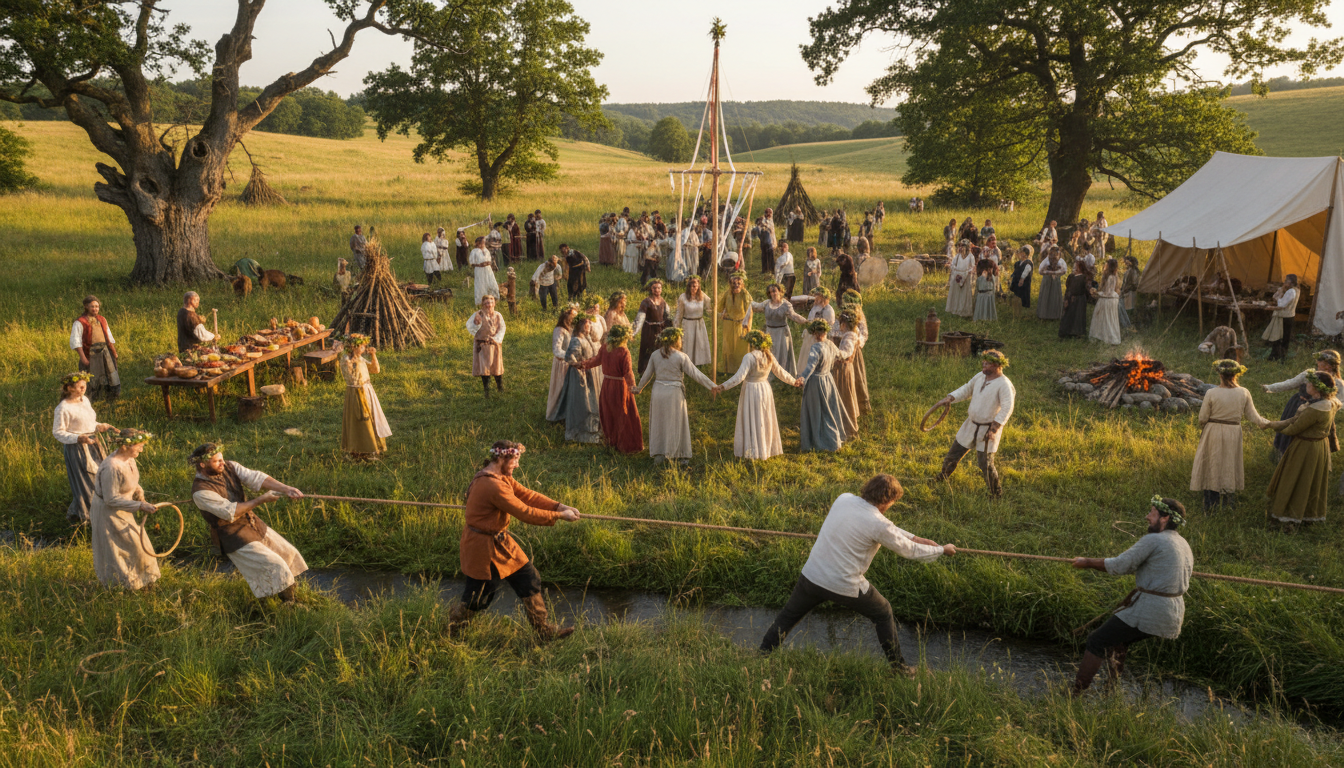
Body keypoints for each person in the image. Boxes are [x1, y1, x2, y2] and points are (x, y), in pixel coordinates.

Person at [760, 475, 955, 677]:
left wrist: (916, 538)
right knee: (883, 612)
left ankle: (762, 655)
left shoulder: (843, 498)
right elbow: (909, 550)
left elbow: (890, 530)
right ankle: (900, 669)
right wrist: (942, 550)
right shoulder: (878, 524)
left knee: (788, 616)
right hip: (843, 583)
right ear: (887, 501)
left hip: (812, 575)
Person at [448, 441, 580, 640]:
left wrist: (559, 506)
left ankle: (544, 632)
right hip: (481, 548)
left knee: (529, 578)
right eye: (515, 460)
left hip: (501, 543)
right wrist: (560, 517)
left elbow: (527, 495)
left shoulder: (502, 477)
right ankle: (454, 630)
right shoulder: (492, 484)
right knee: (479, 596)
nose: (517, 465)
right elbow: (524, 511)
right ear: (502, 458)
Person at [1070, 496, 1192, 694]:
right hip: (1173, 612)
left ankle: (1074, 694)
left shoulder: (1154, 540)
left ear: (1165, 518)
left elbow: (1120, 565)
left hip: (1152, 608)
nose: (1147, 517)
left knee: (1097, 640)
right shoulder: (1182, 543)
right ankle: (1111, 691)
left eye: (1152, 513)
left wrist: (1087, 562)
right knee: (1118, 640)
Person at [189, 443, 308, 604]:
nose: (223, 463)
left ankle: (282, 593)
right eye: (217, 461)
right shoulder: (201, 491)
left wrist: (286, 489)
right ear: (202, 464)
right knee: (275, 565)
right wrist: (261, 500)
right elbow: (230, 512)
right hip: (232, 535)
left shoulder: (230, 467)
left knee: (288, 553)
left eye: (222, 459)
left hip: (251, 523)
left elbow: (256, 477)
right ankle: (288, 604)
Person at [1262, 371, 1339, 531]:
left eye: (1310, 384)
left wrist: (1270, 427)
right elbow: (1294, 421)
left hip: (1306, 448)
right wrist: (1271, 423)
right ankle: (1308, 515)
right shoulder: (1330, 402)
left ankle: (1289, 517)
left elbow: (1293, 428)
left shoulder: (1315, 409)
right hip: (1320, 446)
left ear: (1318, 389)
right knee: (1312, 481)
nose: (1306, 386)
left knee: (1296, 479)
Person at [1189, 359, 1270, 510]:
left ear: (1220, 374)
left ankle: (1210, 503)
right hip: (1233, 431)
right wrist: (1268, 424)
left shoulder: (1212, 392)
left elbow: (1202, 418)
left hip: (1213, 430)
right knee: (1229, 462)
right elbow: (1254, 416)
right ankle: (1228, 502)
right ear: (1236, 375)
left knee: (1213, 462)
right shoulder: (1243, 392)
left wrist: (1205, 426)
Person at [934, 350, 1015, 497]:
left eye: (987, 364)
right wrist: (950, 397)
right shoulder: (980, 376)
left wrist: (994, 428)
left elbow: (1007, 407)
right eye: (983, 363)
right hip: (970, 425)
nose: (984, 366)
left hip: (987, 430)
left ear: (997, 365)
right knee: (953, 454)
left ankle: (996, 494)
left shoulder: (1004, 385)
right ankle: (942, 477)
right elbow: (966, 389)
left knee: (986, 464)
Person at [634, 328, 718, 464]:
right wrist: (712, 386)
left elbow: (647, 375)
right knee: (676, 422)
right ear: (676, 340)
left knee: (659, 422)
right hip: (673, 393)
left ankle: (660, 454)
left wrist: (639, 388)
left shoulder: (655, 355)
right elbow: (696, 374)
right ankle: (679, 454)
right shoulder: (681, 356)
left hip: (658, 392)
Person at [90, 429, 161, 590]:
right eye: (139, 446)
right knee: (118, 549)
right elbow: (110, 499)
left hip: (124, 508)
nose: (141, 450)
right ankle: (122, 585)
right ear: (124, 446)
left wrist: (139, 494)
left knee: (139, 545)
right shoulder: (112, 467)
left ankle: (142, 581)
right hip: (108, 513)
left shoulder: (129, 459)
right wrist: (140, 505)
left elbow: (131, 481)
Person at [716, 330, 802, 460]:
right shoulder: (769, 356)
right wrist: (793, 381)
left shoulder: (749, 357)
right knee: (763, 417)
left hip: (751, 389)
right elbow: (780, 372)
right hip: (765, 389)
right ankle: (764, 448)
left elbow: (739, 376)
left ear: (751, 343)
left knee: (753, 417)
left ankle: (754, 449)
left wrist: (723, 386)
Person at [53, 372, 116, 524]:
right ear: (69, 388)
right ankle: (89, 518)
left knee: (101, 478)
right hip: (78, 449)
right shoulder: (63, 408)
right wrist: (78, 438)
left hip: (94, 444)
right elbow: (58, 432)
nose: (84, 389)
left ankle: (101, 513)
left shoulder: (85, 400)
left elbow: (89, 422)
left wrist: (100, 426)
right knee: (87, 482)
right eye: (80, 386)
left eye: (85, 386)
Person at [574, 324, 644, 454]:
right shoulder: (624, 352)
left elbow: (595, 360)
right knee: (622, 413)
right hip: (620, 386)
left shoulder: (605, 348)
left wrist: (583, 364)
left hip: (607, 384)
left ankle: (611, 440)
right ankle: (624, 444)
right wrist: (632, 386)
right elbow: (628, 372)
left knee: (608, 412)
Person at [1262, 350, 1342, 457]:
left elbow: (1340, 402)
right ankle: (1286, 455)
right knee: (1294, 427)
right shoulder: (1309, 374)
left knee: (1312, 435)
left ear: (1331, 366)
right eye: (1319, 363)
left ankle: (1310, 457)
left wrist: (1327, 406)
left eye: (1324, 364)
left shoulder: (1337, 383)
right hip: (1298, 406)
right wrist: (1269, 388)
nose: (1320, 366)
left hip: (1319, 412)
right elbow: (1289, 383)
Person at [547, 317, 602, 443]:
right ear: (580, 325)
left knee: (592, 399)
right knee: (583, 401)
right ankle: (581, 429)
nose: (589, 326)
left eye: (589, 323)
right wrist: (579, 365)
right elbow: (569, 357)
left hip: (589, 373)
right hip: (580, 375)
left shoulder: (587, 338)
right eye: (587, 323)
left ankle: (592, 425)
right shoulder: (576, 340)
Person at [338, 334, 389, 459]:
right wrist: (354, 358)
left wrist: (373, 355)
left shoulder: (360, 359)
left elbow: (375, 370)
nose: (364, 348)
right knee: (361, 419)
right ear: (353, 347)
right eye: (362, 346)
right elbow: (352, 378)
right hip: (356, 393)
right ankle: (363, 448)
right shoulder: (346, 359)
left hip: (367, 390)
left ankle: (374, 446)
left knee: (372, 417)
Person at [797, 319, 845, 452]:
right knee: (829, 410)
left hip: (816, 383)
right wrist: (851, 349)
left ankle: (817, 440)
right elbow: (841, 355)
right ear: (825, 332)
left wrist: (802, 378)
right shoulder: (830, 344)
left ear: (815, 334)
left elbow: (811, 367)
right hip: (828, 380)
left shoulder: (815, 348)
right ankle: (833, 438)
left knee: (816, 412)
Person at [752, 283, 808, 379]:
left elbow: (794, 316)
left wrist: (806, 322)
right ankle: (771, 375)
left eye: (774, 291)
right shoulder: (766, 303)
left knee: (783, 354)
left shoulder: (785, 304)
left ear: (780, 291)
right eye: (770, 292)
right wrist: (746, 299)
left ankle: (783, 376)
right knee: (770, 353)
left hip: (782, 333)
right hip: (769, 332)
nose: (772, 294)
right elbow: (756, 307)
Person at [71, 295, 120, 400]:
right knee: (92, 376)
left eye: (97, 306)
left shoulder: (102, 319)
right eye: (92, 306)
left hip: (105, 351)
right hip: (91, 353)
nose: (95, 309)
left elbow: (109, 337)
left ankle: (111, 397)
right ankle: (92, 399)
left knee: (110, 374)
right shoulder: (80, 322)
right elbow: (76, 342)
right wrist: (83, 358)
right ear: (86, 307)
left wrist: (114, 352)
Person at [466, 295, 506, 396]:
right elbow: (471, 327)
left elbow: (502, 328)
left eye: (491, 303)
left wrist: (496, 339)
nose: (489, 305)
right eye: (487, 303)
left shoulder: (498, 315)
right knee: (484, 369)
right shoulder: (479, 314)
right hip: (482, 346)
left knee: (496, 367)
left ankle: (500, 387)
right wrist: (476, 322)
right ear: (483, 304)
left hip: (494, 344)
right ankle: (486, 390)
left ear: (494, 304)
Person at [832, 312, 863, 440]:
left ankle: (848, 427)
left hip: (843, 369)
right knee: (843, 395)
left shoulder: (850, 337)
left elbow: (845, 353)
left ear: (844, 324)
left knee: (845, 396)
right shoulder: (850, 334)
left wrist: (832, 352)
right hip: (844, 368)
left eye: (840, 324)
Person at [716, 272, 753, 377]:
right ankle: (729, 371)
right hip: (728, 324)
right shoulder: (727, 294)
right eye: (734, 283)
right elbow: (719, 308)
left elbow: (750, 310)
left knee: (741, 347)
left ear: (742, 284)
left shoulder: (745, 295)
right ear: (730, 284)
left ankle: (742, 370)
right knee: (728, 347)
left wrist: (747, 324)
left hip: (742, 324)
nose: (736, 285)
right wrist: (722, 313)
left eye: (738, 283)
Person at [840, 291, 871, 415]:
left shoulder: (859, 314)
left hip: (854, 348)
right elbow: (836, 328)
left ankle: (861, 405)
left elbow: (864, 332)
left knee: (857, 375)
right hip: (842, 345)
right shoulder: (843, 313)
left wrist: (858, 341)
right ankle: (844, 404)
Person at [632, 280, 670, 376]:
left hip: (660, 329)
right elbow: (640, 318)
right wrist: (633, 332)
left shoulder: (663, 302)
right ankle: (644, 373)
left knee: (660, 349)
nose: (657, 290)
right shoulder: (646, 302)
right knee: (648, 350)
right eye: (654, 288)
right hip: (649, 330)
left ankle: (659, 372)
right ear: (651, 289)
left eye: (659, 288)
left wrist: (670, 330)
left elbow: (667, 316)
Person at [796, 286, 835, 374]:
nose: (815, 297)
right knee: (807, 355)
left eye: (818, 295)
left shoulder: (828, 310)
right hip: (811, 335)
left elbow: (829, 325)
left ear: (823, 297)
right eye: (815, 295)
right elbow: (810, 319)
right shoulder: (815, 307)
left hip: (819, 337)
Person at [674, 276, 712, 368]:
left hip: (699, 323)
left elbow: (710, 308)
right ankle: (687, 364)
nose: (693, 288)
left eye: (695, 286)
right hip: (688, 323)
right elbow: (679, 313)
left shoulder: (702, 296)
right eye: (691, 286)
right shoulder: (683, 297)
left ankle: (700, 363)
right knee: (688, 343)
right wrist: (676, 326)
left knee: (700, 343)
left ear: (698, 286)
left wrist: (716, 315)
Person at [546, 307, 577, 418]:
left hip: (573, 363)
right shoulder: (559, 330)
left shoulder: (573, 328)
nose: (575, 318)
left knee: (573, 389)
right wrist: (569, 357)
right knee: (562, 388)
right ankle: (559, 413)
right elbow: (556, 349)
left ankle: (571, 413)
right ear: (566, 316)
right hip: (563, 363)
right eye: (573, 315)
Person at [1264, 274, 1300, 360]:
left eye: (1286, 281)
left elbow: (1281, 305)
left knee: (1279, 337)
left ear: (1290, 282)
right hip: (1288, 316)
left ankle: (1278, 356)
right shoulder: (1295, 290)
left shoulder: (1291, 291)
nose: (1284, 282)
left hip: (1284, 317)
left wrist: (1280, 294)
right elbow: (1275, 298)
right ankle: (1279, 356)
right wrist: (1281, 290)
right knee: (1283, 337)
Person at [1089, 258, 1122, 345]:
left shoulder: (1111, 277)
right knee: (1106, 318)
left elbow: (1108, 292)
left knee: (1107, 319)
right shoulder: (1111, 276)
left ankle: (1109, 337)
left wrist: (1097, 293)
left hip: (1108, 299)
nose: (1105, 266)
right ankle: (1103, 336)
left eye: (1106, 265)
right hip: (1108, 298)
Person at [1058, 261, 1091, 339]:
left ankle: (1076, 333)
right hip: (1071, 298)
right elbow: (1068, 288)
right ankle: (1066, 332)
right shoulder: (1071, 277)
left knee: (1078, 316)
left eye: (1076, 266)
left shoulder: (1084, 277)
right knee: (1068, 315)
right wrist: (1066, 299)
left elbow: (1087, 288)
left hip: (1080, 299)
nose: (1074, 268)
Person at [1036, 247, 1067, 320]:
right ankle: (1044, 314)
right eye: (1052, 254)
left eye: (1056, 254)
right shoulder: (1046, 261)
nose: (1054, 256)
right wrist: (1049, 272)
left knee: (1055, 295)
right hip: (1047, 280)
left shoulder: (1061, 261)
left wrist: (1056, 272)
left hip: (1056, 280)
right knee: (1046, 295)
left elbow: (1064, 271)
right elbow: (1040, 271)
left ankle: (1055, 315)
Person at [946, 242, 975, 318]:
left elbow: (973, 266)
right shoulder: (957, 256)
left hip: (966, 277)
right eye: (960, 247)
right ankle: (956, 310)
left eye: (962, 247)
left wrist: (967, 272)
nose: (960, 248)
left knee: (964, 294)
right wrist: (955, 270)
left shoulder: (970, 256)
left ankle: (964, 311)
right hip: (957, 276)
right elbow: (953, 264)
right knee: (957, 294)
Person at [469, 236, 500, 306]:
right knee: (481, 285)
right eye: (482, 242)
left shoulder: (486, 250)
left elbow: (489, 260)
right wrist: (480, 264)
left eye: (484, 242)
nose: (483, 244)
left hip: (488, 269)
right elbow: (472, 262)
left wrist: (488, 263)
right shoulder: (474, 251)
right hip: (480, 270)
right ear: (478, 243)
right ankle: (481, 301)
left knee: (492, 283)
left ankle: (493, 299)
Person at [1009, 246, 1033, 314]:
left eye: (1020, 253)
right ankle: (1016, 305)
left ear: (1024, 254)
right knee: (1017, 293)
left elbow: (1026, 272)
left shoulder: (1028, 263)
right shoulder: (1018, 263)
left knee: (1023, 293)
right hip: (1016, 280)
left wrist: (1022, 279)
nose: (1019, 254)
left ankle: (1024, 306)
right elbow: (1016, 271)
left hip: (1024, 282)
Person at [1120, 255, 1140, 328]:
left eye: (1127, 261)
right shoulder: (1128, 271)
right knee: (1126, 308)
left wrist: (1126, 289)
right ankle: (1127, 323)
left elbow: (1134, 284)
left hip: (1130, 292)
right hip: (1126, 292)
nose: (1126, 263)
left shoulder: (1134, 271)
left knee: (1130, 308)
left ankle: (1130, 324)